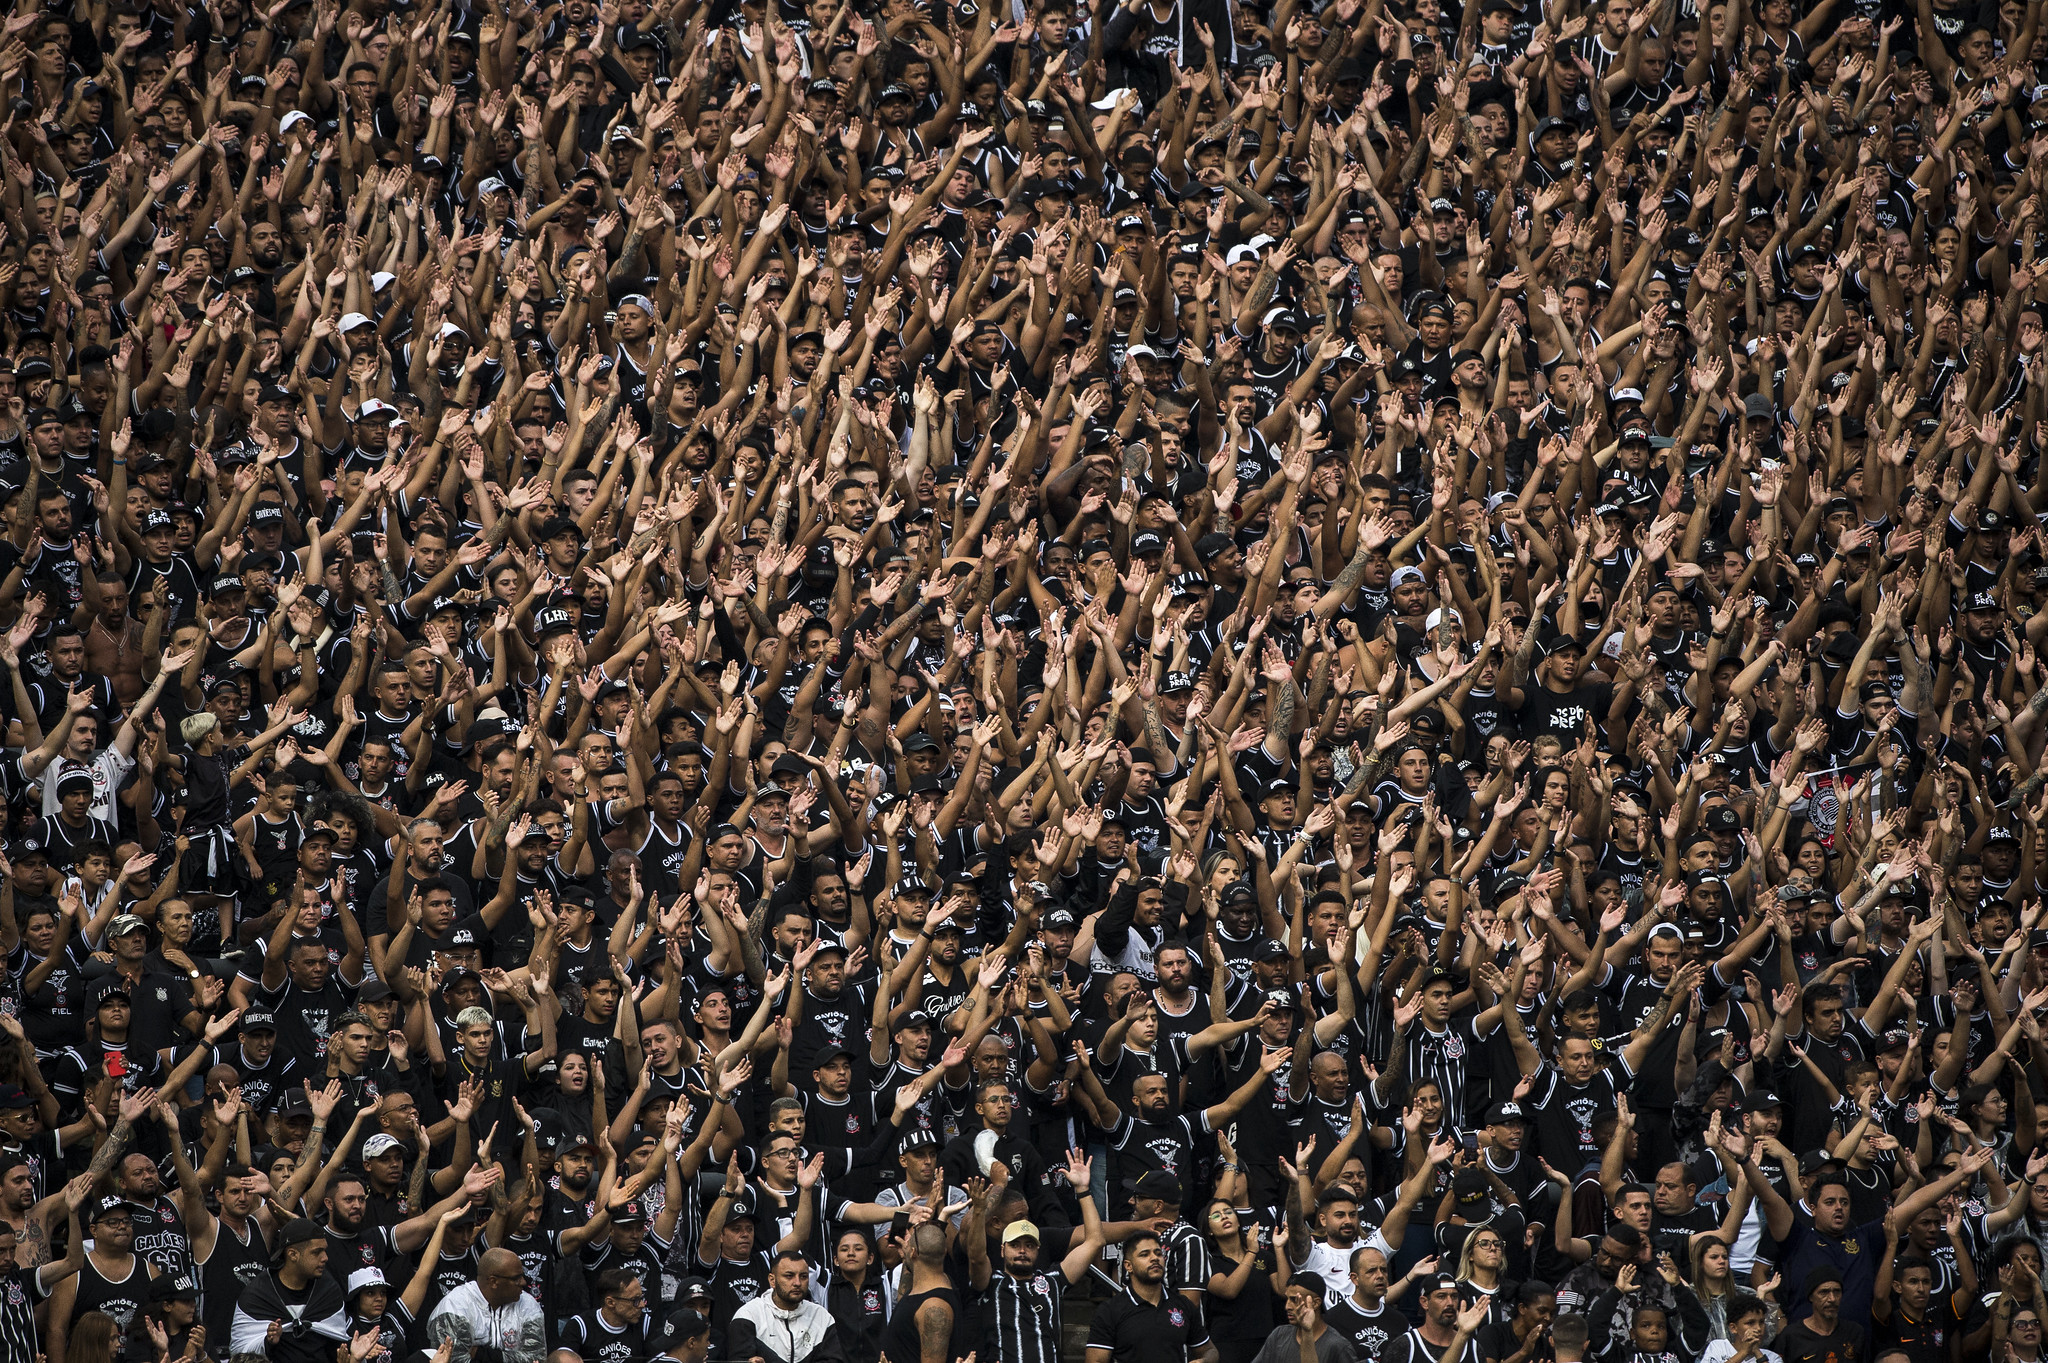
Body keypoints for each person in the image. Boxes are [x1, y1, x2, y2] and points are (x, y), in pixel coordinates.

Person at [1249, 1274, 1355, 1363]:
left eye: (1294, 1300)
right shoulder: (1279, 1335)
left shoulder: (1337, 1347)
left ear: (1315, 1303)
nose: (1287, 1307)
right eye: (1287, 1299)